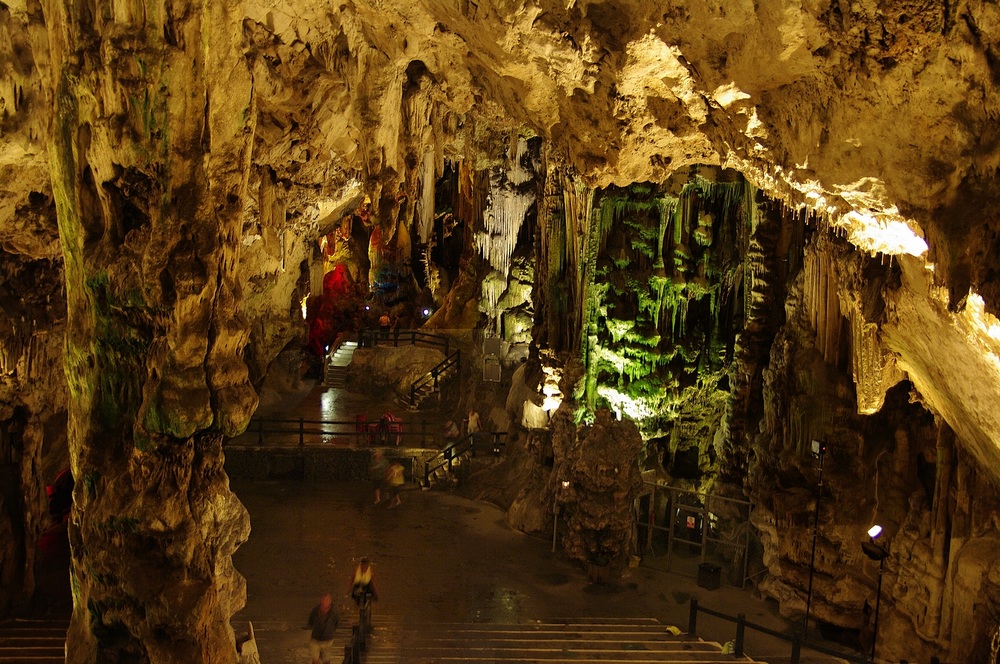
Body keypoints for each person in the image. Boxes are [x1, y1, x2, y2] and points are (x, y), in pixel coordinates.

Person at [306, 593, 339, 664]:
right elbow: (311, 620)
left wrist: (330, 631)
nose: (325, 602)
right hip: (315, 638)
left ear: (330, 602)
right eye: (324, 599)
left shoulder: (334, 612)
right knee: (315, 659)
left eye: (327, 600)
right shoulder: (315, 610)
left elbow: (336, 622)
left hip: (327, 640)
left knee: (326, 660)